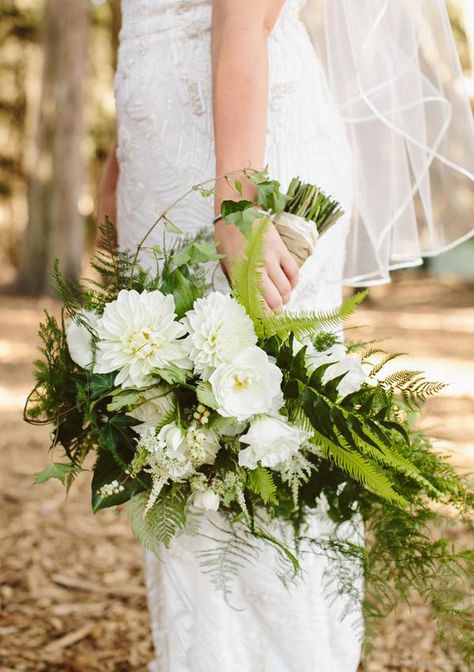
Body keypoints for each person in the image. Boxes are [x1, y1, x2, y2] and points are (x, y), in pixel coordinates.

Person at [98, 1, 474, 670]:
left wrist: (238, 200)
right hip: (165, 151)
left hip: (242, 153)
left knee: (260, 446)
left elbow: (243, 15)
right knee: (178, 446)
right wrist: (120, 160)